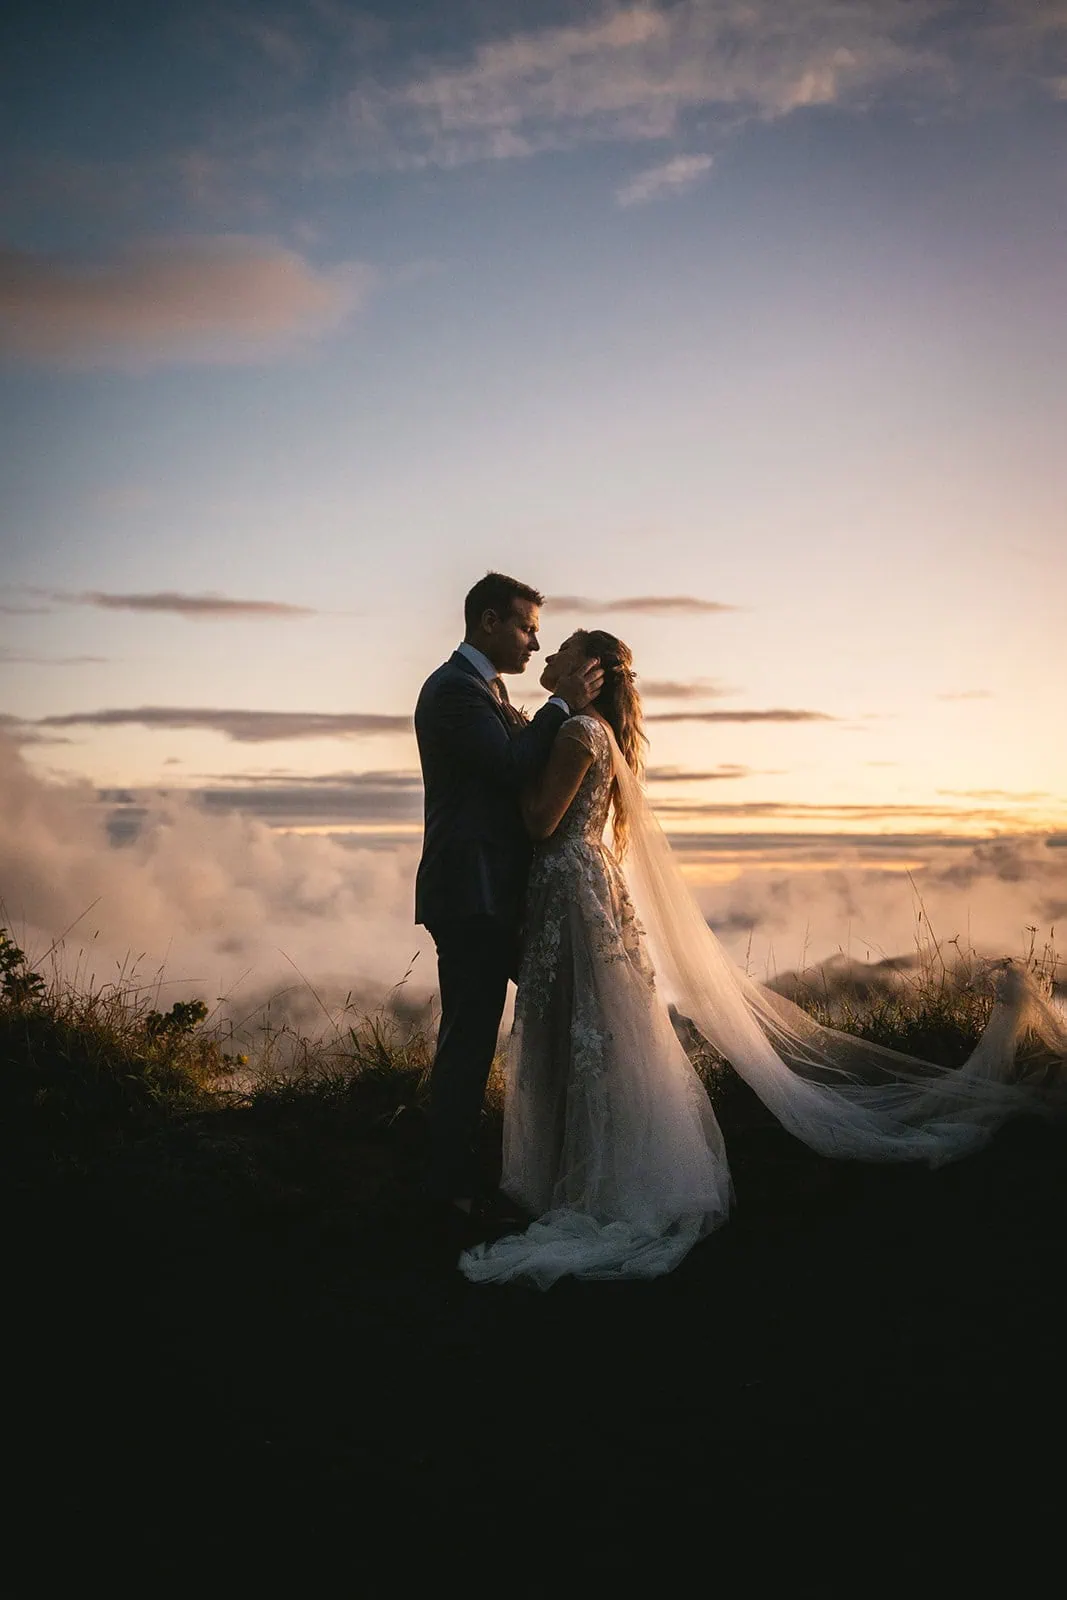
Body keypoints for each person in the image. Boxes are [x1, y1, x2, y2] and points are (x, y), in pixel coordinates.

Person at [459, 629, 1067, 1288]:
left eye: (564, 650)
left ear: (590, 670)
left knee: (587, 1030)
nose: (548, 655)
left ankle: (592, 1182)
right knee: (596, 1031)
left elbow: (539, 822)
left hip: (571, 886)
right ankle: (590, 1171)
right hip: (579, 885)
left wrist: (505, 784)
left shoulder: (578, 731)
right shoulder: (593, 731)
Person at [414, 573, 603, 1230]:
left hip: (496, 893)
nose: (534, 643)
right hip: (470, 893)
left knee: (573, 1015)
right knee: (468, 1043)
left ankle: (565, 1158)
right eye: (526, 628)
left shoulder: (485, 689)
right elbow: (510, 765)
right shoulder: (452, 691)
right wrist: (560, 704)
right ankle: (448, 1193)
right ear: (489, 621)